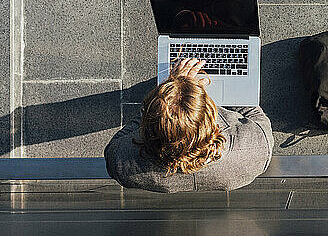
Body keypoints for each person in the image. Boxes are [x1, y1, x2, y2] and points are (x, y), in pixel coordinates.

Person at [103, 58, 274, 192]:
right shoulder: (257, 148)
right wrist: (220, 87)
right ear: (210, 115)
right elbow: (253, 113)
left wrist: (163, 99)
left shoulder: (120, 163)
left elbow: (124, 135)